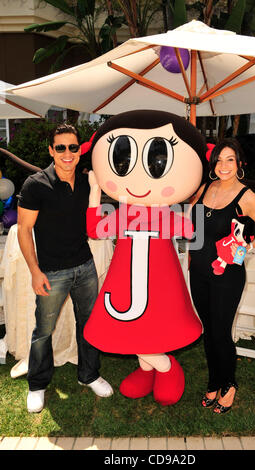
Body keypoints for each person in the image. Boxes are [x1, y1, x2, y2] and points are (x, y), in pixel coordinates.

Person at [82, 110, 208, 406]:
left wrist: (193, 199)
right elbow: (94, 230)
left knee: (153, 327)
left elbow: (191, 231)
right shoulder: (122, 213)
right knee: (131, 328)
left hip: (162, 288)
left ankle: (165, 367)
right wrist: (94, 193)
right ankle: (148, 367)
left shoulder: (167, 215)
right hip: (126, 285)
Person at [17, 123, 113, 413]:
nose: (67, 153)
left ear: (80, 150)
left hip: (84, 266)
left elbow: (94, 223)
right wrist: (35, 271)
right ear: (51, 150)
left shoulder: (86, 182)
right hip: (51, 273)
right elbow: (24, 230)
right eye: (61, 148)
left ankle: (89, 375)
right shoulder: (36, 185)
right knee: (43, 331)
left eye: (73, 147)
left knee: (89, 325)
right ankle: (37, 384)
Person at [187, 137, 255, 414]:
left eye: (230, 160)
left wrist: (247, 246)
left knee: (221, 332)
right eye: (219, 160)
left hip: (227, 276)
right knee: (209, 331)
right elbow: (193, 223)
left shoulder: (246, 197)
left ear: (239, 164)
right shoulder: (205, 188)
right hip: (198, 272)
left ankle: (229, 385)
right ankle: (214, 382)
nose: (224, 165)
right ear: (214, 164)